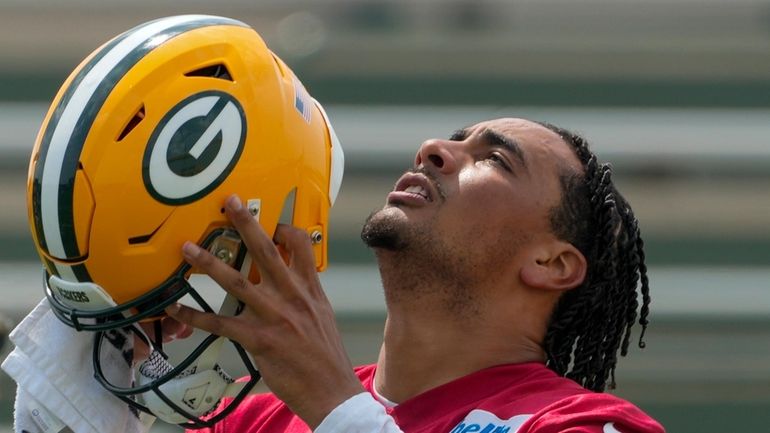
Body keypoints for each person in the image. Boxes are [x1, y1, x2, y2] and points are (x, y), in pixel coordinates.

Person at [165, 117, 665, 433]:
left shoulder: (582, 425)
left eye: (494, 159)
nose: (431, 149)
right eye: (454, 139)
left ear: (551, 264)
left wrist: (336, 407)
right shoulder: (248, 422)